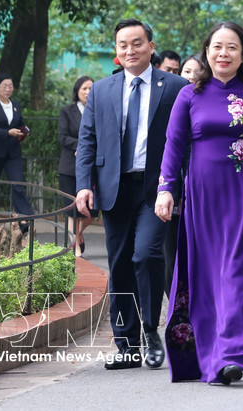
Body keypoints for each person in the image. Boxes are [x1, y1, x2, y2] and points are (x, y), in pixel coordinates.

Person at [155, 22, 243, 385]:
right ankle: (208, 355)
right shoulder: (189, 95)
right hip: (201, 198)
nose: (223, 53)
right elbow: (173, 146)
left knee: (241, 276)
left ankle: (232, 356)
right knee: (206, 277)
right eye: (217, 46)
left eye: (232, 47)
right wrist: (165, 189)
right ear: (206, 51)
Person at [76, 18, 188, 371]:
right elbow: (88, 140)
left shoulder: (175, 87)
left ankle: (152, 330)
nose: (130, 50)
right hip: (114, 189)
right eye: (123, 45)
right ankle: (126, 344)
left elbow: (186, 142)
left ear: (151, 47)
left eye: (137, 43)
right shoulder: (103, 90)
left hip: (157, 189)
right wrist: (83, 184)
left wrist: (181, 187)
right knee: (120, 263)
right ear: (116, 51)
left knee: (147, 255)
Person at [0, 73, 35, 235]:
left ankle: (26, 219)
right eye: (4, 86)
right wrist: (7, 132)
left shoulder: (15, 105)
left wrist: (25, 131)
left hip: (13, 153)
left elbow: (21, 123)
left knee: (18, 185)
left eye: (10, 86)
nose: (8, 89)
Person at [58, 76, 96, 257]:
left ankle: (77, 235)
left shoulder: (99, 110)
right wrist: (80, 147)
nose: (88, 92)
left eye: (91, 88)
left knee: (92, 211)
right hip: (69, 167)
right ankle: (75, 246)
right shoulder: (67, 111)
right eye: (84, 89)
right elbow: (63, 137)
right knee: (72, 210)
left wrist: (86, 148)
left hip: (92, 166)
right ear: (77, 91)